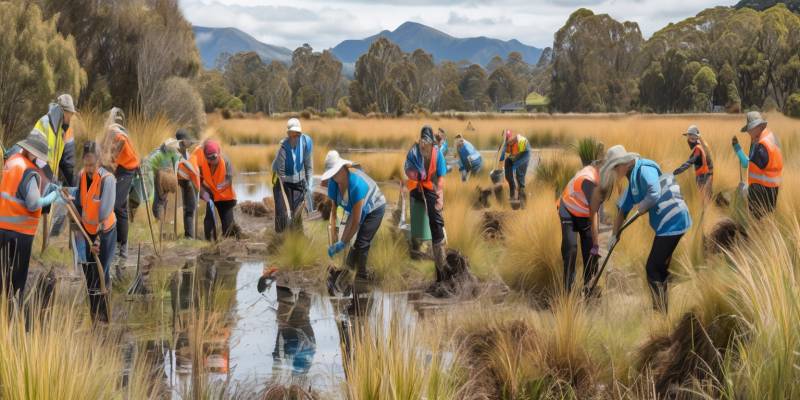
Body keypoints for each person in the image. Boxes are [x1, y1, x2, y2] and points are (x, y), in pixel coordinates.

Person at [600, 145, 691, 313]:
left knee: (652, 268)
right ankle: (664, 312)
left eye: (614, 167)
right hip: (667, 224)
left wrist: (642, 207)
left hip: (673, 220)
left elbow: (654, 192)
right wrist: (614, 236)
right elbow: (622, 210)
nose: (614, 172)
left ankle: (660, 312)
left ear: (623, 163)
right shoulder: (632, 177)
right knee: (659, 268)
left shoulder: (644, 168)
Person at [0, 132, 60, 303]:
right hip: (20, 234)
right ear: (33, 153)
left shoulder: (12, 162)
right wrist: (53, 196)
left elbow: (15, 192)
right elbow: (33, 203)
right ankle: (13, 320)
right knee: (16, 283)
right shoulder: (29, 171)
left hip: (2, 229)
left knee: (2, 278)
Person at [322, 151, 387, 287]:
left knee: (362, 242)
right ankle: (349, 274)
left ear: (343, 168)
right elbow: (334, 213)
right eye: (331, 173)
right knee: (350, 254)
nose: (333, 176)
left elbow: (356, 221)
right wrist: (334, 239)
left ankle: (361, 280)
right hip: (356, 209)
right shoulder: (333, 184)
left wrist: (342, 242)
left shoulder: (356, 185)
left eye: (335, 172)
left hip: (375, 207)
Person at [72, 141, 116, 322]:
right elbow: (78, 204)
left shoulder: (108, 179)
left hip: (104, 233)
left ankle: (104, 317)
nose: (89, 168)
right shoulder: (81, 175)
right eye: (86, 164)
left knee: (100, 274)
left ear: (99, 161)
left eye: (92, 164)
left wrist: (97, 239)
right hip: (85, 232)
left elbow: (105, 212)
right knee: (89, 275)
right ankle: (94, 315)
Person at [404, 126, 448, 288]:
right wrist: (415, 178)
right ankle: (417, 247)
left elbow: (441, 177)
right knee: (417, 217)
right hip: (416, 188)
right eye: (423, 140)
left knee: (436, 224)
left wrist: (438, 194)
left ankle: (441, 271)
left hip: (432, 188)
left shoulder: (438, 155)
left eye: (427, 141)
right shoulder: (414, 152)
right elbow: (407, 169)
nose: (424, 144)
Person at [100, 108, 140, 261]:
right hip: (120, 168)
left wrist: (113, 157)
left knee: (116, 205)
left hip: (128, 168)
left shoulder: (114, 131)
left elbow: (122, 141)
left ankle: (121, 246)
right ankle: (121, 246)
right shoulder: (109, 132)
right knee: (121, 207)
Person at [558, 161, 601, 294]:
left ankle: (588, 288)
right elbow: (594, 214)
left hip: (583, 214)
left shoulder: (600, 178)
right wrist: (597, 244)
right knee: (571, 249)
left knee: (590, 252)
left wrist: (594, 247)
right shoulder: (587, 180)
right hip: (568, 210)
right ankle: (567, 291)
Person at [732, 111, 783, 219]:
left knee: (756, 224)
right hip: (774, 190)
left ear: (758, 126)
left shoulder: (761, 145)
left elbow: (746, 163)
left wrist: (744, 189)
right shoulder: (772, 137)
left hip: (760, 192)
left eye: (750, 129)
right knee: (766, 222)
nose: (749, 132)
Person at [271, 118, 313, 233]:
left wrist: (309, 187)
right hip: (280, 180)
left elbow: (308, 168)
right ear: (288, 134)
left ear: (300, 133)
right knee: (282, 213)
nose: (295, 138)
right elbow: (282, 174)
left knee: (297, 214)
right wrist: (287, 199)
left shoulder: (306, 143)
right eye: (292, 135)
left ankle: (296, 238)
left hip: (297, 181)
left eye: (297, 134)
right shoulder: (283, 147)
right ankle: (279, 238)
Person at [196, 140, 237, 240]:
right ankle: (209, 243)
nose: (212, 160)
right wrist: (203, 192)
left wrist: (219, 187)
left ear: (218, 153)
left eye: (214, 157)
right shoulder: (202, 163)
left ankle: (229, 242)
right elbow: (198, 181)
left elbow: (229, 179)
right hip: (211, 196)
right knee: (209, 221)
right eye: (209, 158)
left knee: (228, 227)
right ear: (205, 156)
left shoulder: (226, 161)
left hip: (226, 198)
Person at [673, 125, 713, 199]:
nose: (687, 140)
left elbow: (689, 162)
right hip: (707, 176)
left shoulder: (698, 149)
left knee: (704, 200)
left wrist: (675, 172)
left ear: (693, 139)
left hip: (702, 177)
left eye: (689, 138)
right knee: (707, 199)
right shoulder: (702, 146)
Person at [145, 138, 181, 220]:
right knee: (159, 198)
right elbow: (149, 163)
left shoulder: (172, 153)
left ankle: (160, 219)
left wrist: (174, 174)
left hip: (167, 178)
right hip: (158, 177)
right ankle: (159, 218)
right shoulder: (158, 154)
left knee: (162, 198)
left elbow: (177, 162)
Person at [176, 130, 199, 239]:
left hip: (190, 182)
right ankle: (189, 236)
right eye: (187, 141)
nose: (190, 143)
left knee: (190, 208)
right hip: (186, 182)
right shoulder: (177, 152)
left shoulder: (185, 151)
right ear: (182, 141)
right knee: (190, 209)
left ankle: (189, 235)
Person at [499, 129, 530, 204]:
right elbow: (502, 155)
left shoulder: (520, 141)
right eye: (506, 139)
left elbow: (522, 154)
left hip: (522, 159)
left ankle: (522, 199)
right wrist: (501, 156)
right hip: (515, 158)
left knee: (519, 177)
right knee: (508, 165)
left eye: (508, 138)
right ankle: (512, 196)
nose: (507, 140)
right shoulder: (506, 144)